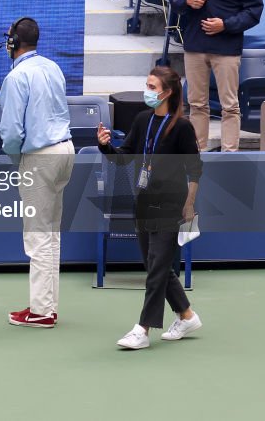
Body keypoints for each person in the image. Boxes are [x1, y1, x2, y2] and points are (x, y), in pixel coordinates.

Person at [97, 66, 203, 350]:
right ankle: (187, 315)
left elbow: (195, 169)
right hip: (143, 201)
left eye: (153, 87)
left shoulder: (182, 127)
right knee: (155, 264)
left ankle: (142, 330)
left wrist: (189, 205)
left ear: (167, 93)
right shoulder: (143, 120)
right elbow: (123, 158)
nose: (148, 91)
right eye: (147, 85)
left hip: (172, 204)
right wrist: (106, 146)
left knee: (157, 268)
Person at [0, 17, 74, 328]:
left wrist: (15, 158)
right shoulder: (52, 67)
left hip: (40, 156)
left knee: (38, 236)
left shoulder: (17, 77)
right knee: (51, 234)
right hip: (66, 150)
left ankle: (41, 311)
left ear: (13, 43)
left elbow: (12, 131)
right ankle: (47, 306)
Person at [171, 0, 263, 152]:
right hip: (195, 46)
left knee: (230, 106)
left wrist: (226, 25)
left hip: (226, 48)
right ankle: (197, 153)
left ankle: (229, 153)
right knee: (196, 104)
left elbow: (254, 11)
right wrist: (187, 0)